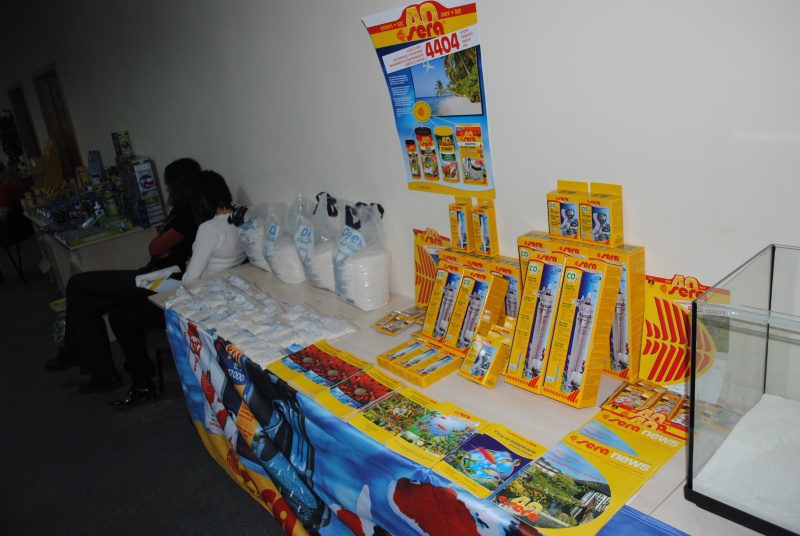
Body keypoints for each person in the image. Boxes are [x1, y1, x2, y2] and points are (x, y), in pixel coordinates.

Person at [45, 158, 202, 397]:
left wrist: (161, 243)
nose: (168, 189)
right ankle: (103, 373)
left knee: (76, 283)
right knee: (84, 306)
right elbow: (159, 245)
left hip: (160, 281)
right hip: (154, 275)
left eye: (170, 184)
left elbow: (155, 248)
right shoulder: (182, 210)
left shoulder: (188, 214)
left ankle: (72, 349)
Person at [108, 170, 246, 407]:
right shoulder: (240, 215)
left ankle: (142, 380)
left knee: (123, 297)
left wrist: (190, 265)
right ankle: (141, 380)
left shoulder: (209, 229)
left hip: (196, 304)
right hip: (222, 294)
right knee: (120, 316)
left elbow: (189, 281)